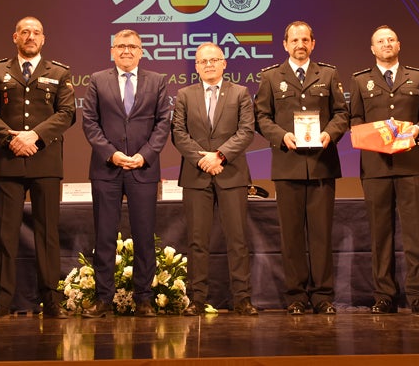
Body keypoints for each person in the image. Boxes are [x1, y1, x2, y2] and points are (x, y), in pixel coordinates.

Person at [0, 16, 76, 320]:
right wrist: (11, 139)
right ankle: (1, 302)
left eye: (36, 33)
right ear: (15, 37)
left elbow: (67, 113)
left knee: (47, 235)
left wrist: (35, 136)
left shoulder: (59, 72)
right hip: (8, 162)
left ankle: (51, 300)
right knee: (6, 235)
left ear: (43, 39)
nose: (30, 36)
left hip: (45, 159)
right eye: (25, 32)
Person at [254, 21, 349, 315]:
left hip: (321, 166)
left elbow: (342, 113)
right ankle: (295, 295)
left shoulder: (329, 74)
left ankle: (323, 296)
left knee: (321, 235)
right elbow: (261, 117)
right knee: (292, 236)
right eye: (294, 39)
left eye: (305, 39)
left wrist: (329, 134)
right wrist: (281, 136)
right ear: (285, 44)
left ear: (313, 43)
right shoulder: (271, 77)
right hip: (287, 166)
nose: (300, 44)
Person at [81, 29, 171, 318]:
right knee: (105, 236)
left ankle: (144, 298)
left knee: (144, 236)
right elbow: (90, 122)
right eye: (121, 46)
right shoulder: (97, 80)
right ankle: (103, 298)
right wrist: (112, 154)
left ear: (142, 51)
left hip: (142, 170)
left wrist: (143, 156)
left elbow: (162, 124)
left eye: (132, 46)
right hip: (107, 168)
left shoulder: (157, 81)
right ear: (112, 51)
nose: (126, 51)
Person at [349, 26, 419, 316]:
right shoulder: (361, 81)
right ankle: (384, 295)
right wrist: (368, 134)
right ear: (372, 48)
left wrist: (418, 129)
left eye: (390, 40)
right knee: (380, 235)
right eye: (380, 41)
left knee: (415, 234)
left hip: (412, 164)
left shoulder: (418, 77)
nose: (386, 44)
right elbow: (356, 118)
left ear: (399, 45)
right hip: (375, 167)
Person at [171, 42, 258, 316]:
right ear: (196, 66)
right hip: (196, 175)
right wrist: (202, 159)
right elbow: (178, 133)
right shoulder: (184, 94)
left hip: (230, 174)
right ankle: (197, 299)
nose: (209, 64)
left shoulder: (241, 93)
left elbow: (246, 131)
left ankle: (242, 299)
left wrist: (219, 156)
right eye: (203, 61)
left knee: (238, 240)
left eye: (214, 60)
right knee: (197, 241)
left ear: (224, 63)